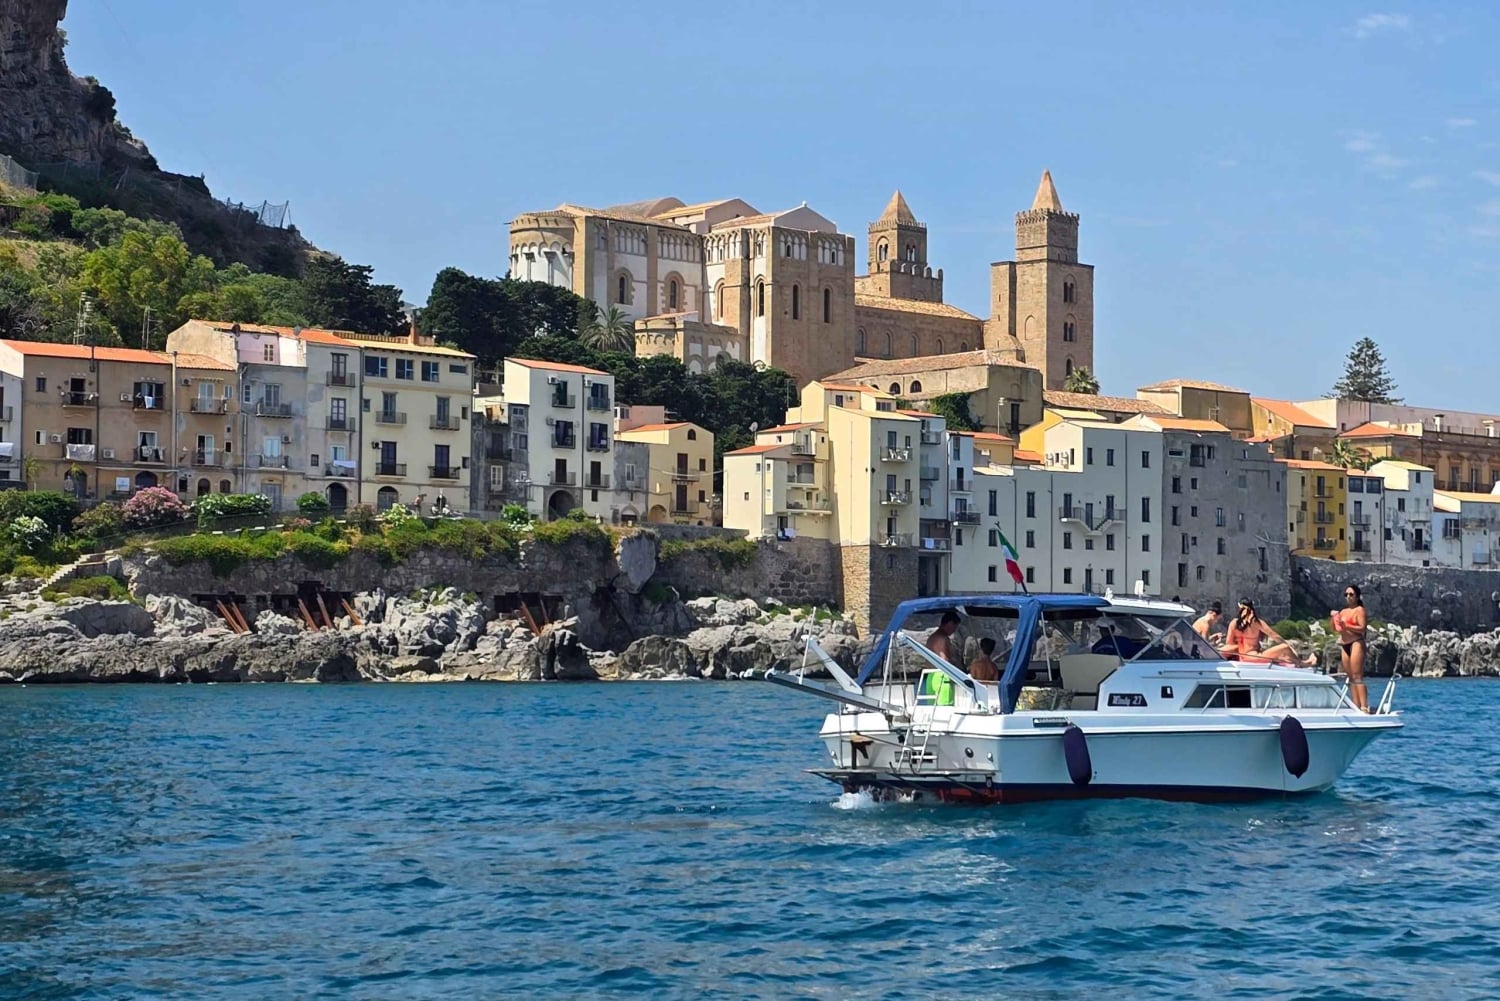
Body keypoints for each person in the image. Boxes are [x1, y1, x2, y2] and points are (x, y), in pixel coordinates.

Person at [1222, 599, 1317, 666]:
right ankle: (1303, 663)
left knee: (1282, 658)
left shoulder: (1233, 623)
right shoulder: (1256, 622)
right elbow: (1274, 636)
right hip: (1254, 657)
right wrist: (1288, 646)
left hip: (1242, 657)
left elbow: (1229, 644)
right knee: (1285, 647)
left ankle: (1298, 662)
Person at [1332, 584, 1370, 713]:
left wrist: (1346, 626)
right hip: (1345, 644)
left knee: (1357, 675)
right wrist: (1334, 619)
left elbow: (1362, 628)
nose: (1348, 597)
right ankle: (1355, 704)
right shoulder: (1343, 612)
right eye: (1346, 594)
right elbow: (1336, 628)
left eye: (1351, 594)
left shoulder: (1359, 610)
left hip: (1356, 643)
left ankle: (1364, 706)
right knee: (1350, 677)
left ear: (1357, 596)